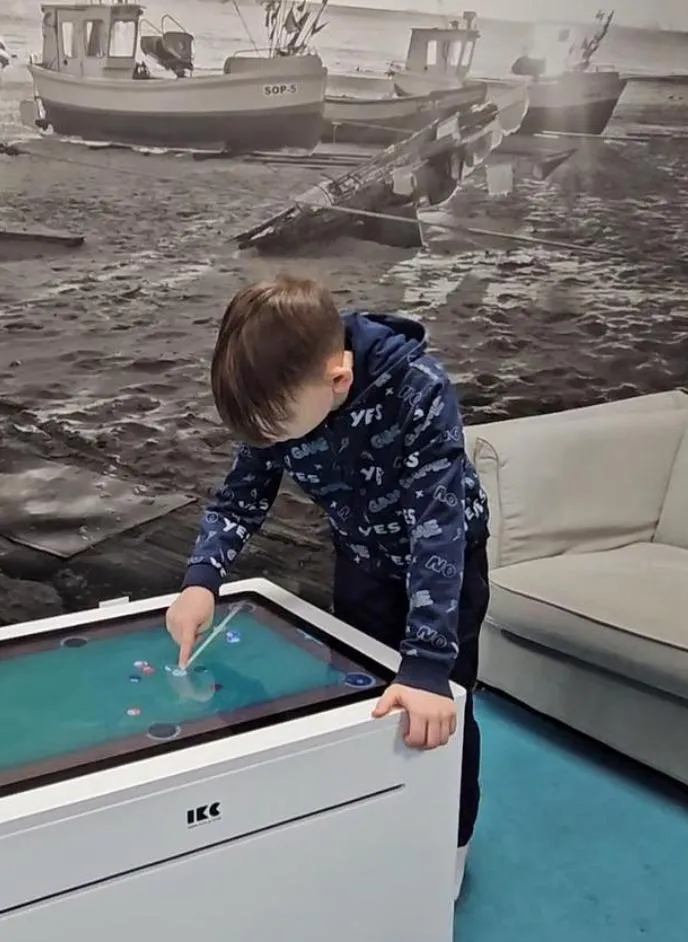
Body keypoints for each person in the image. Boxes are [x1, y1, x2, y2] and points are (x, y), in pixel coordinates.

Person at [164, 274, 489, 899]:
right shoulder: (279, 405)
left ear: (337, 381)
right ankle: (368, 816)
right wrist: (202, 580)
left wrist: (425, 665)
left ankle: (451, 839)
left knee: (444, 706)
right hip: (362, 555)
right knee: (360, 692)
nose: (274, 444)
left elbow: (437, 528)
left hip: (448, 564)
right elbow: (242, 493)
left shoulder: (421, 389)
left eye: (279, 432)